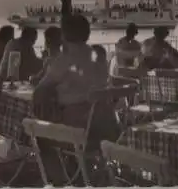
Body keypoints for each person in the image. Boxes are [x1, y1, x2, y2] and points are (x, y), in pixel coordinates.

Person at [33, 15, 118, 186]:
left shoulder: (64, 60)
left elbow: (40, 89)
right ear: (87, 34)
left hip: (81, 131)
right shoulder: (98, 55)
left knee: (38, 136)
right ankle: (80, 170)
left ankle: (63, 181)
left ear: (64, 35)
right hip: (109, 126)